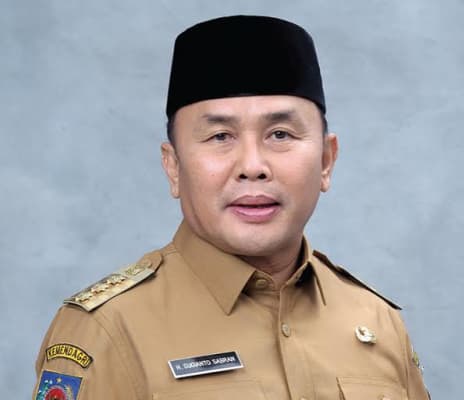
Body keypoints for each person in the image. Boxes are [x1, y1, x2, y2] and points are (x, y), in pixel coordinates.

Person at [33, 15, 430, 399]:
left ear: (326, 161)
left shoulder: (376, 321)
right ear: (173, 167)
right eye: (220, 136)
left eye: (280, 134)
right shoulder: (106, 330)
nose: (253, 166)